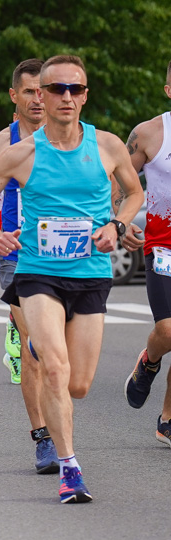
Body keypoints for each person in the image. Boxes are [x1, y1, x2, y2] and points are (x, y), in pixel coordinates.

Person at [0, 55, 144, 503]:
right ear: (40, 96)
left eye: (76, 89)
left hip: (89, 272)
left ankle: (34, 345)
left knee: (79, 383)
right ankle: (70, 469)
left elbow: (134, 192)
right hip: (37, 272)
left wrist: (118, 226)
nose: (67, 97)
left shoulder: (106, 146)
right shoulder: (20, 153)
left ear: (85, 95)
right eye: (57, 89)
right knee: (55, 368)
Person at [0, 59, 59, 474]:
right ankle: (43, 438)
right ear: (14, 96)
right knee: (37, 350)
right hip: (16, 254)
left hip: (62, 254)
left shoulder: (71, 139)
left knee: (63, 354)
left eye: (44, 91)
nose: (38, 99)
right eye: (29, 92)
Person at [122, 59, 171, 449]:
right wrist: (117, 221)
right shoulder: (150, 133)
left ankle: (167, 419)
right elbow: (116, 179)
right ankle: (149, 362)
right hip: (162, 246)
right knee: (170, 330)